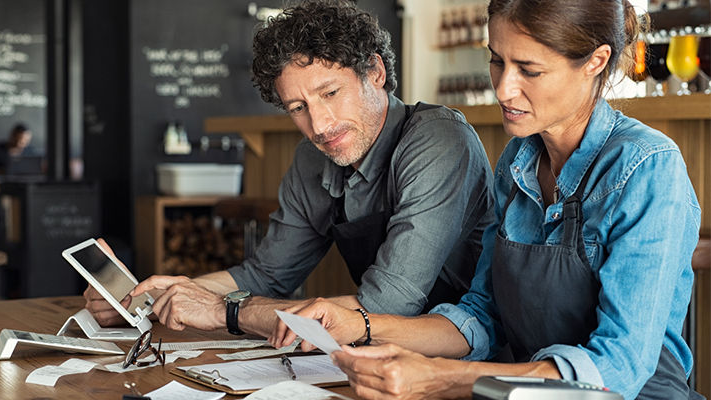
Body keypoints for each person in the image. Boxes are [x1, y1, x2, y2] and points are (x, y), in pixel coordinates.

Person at [271, 1, 703, 399]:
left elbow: (621, 366)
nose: (503, 89)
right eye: (497, 61)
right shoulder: (518, 160)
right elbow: (482, 315)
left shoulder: (647, 167)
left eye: (528, 70)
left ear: (596, 61)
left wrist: (443, 377)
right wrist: (361, 326)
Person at [85, 0, 494, 338]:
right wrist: (153, 298)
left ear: (375, 72)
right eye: (298, 108)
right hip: (381, 357)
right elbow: (266, 274)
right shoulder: (312, 158)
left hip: (468, 355)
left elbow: (385, 306)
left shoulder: (438, 141)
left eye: (330, 93)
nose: (319, 125)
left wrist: (225, 312)